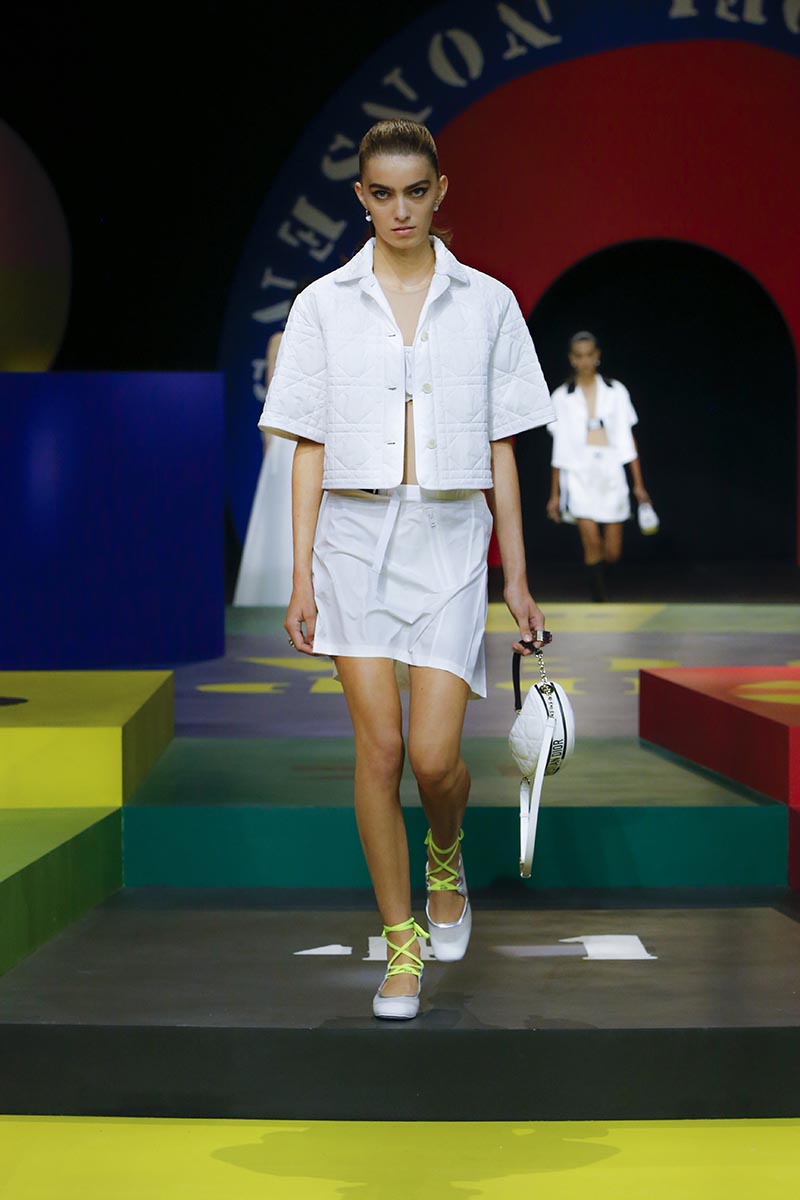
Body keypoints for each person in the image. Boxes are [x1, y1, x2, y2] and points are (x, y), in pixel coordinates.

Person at [259, 119, 554, 1020]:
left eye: (415, 192)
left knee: (433, 758)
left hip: (453, 540)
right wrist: (300, 575)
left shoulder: (489, 303)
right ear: (362, 197)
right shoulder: (321, 305)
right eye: (382, 194)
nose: (400, 209)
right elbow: (307, 447)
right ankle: (400, 943)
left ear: (439, 191)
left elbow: (503, 450)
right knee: (379, 750)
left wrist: (516, 577)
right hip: (351, 539)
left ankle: (445, 854)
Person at [546, 331, 652, 602]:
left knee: (612, 551)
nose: (585, 361)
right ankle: (599, 598)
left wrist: (639, 485)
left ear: (597, 356)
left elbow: (628, 439)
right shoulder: (561, 397)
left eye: (589, 355)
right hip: (578, 472)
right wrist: (554, 494)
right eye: (579, 356)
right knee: (592, 542)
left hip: (611, 471)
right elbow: (560, 447)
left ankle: (603, 582)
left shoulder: (616, 391)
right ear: (572, 359)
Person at [233, 288, 307, 606]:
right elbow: (273, 392)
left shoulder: (284, 339)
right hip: (291, 434)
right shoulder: (282, 339)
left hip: (297, 434)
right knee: (287, 507)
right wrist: (269, 440)